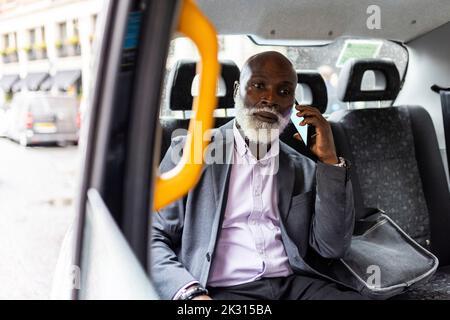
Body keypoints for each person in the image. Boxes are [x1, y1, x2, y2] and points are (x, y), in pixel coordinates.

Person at [151, 51, 367, 300]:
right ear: (236, 91)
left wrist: (329, 161)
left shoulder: (303, 168)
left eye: (284, 92)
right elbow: (153, 237)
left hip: (295, 285)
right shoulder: (190, 153)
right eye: (258, 85)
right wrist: (189, 293)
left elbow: (332, 248)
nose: (270, 99)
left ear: (293, 106)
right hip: (221, 291)